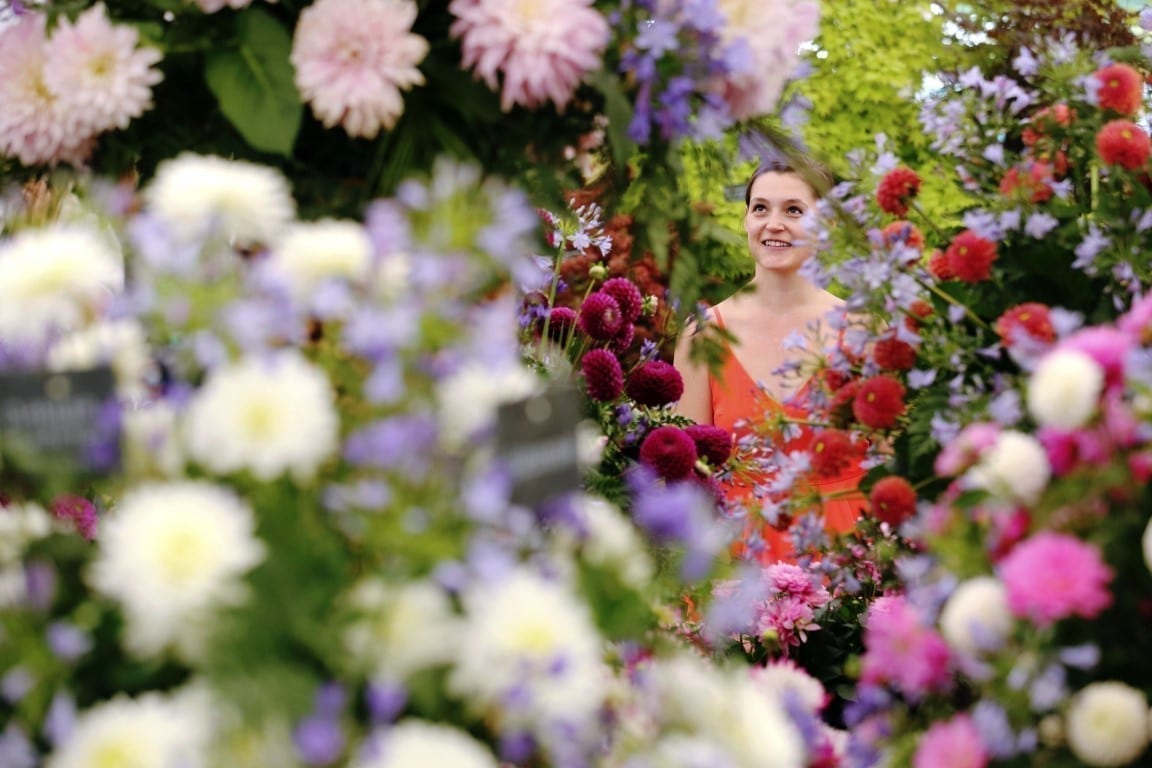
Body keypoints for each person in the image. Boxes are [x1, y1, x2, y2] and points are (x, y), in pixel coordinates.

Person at [673, 156, 867, 564]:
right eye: (760, 208)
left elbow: (890, 464)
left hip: (844, 560)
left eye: (793, 210)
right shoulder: (703, 334)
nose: (773, 223)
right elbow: (688, 478)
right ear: (746, 220)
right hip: (736, 565)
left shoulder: (863, 329)